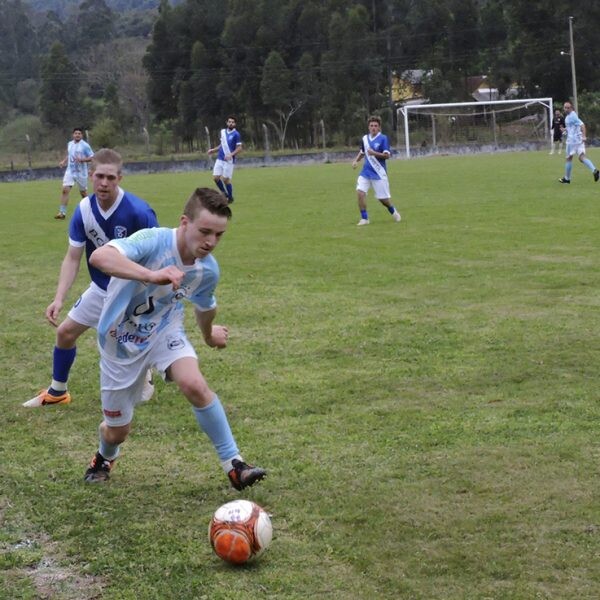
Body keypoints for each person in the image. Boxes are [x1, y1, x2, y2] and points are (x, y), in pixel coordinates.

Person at [83, 187, 266, 491]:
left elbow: (205, 306)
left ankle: (234, 464)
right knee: (117, 431)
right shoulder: (153, 240)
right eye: (204, 231)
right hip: (120, 342)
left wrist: (209, 336)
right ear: (184, 222)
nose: (210, 242)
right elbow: (101, 257)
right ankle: (104, 456)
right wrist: (149, 275)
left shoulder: (207, 270)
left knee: (194, 384)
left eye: (219, 235)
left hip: (163, 330)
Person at [24, 149, 158, 408]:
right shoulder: (83, 211)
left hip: (133, 291)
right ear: (90, 175)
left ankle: (147, 370)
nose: (104, 183)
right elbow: (73, 258)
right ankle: (58, 392)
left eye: (110, 177)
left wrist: (148, 298)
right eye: (99, 176)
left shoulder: (139, 212)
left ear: (120, 178)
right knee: (65, 333)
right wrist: (59, 298)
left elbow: (156, 258)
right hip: (100, 288)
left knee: (124, 345)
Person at [351, 115, 401, 226]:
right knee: (360, 192)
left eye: (375, 126)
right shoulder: (364, 139)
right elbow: (363, 152)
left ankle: (393, 211)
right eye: (371, 125)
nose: (373, 127)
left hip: (379, 173)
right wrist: (356, 161)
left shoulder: (383, 138)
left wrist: (374, 153)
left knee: (383, 200)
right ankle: (364, 218)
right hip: (365, 172)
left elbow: (387, 156)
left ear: (379, 128)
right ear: (368, 127)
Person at [55, 128, 95, 220]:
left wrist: (82, 160)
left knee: (83, 193)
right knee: (65, 190)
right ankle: (62, 213)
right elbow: (69, 154)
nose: (77, 135)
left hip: (81, 173)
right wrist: (64, 161)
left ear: (81, 135)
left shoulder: (85, 146)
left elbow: (93, 157)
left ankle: (91, 211)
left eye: (79, 133)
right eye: (76, 133)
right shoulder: (70, 144)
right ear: (73, 135)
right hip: (70, 171)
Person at [558, 101, 599, 184]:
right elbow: (573, 126)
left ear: (571, 108)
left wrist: (584, 136)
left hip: (572, 141)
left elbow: (582, 125)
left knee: (568, 159)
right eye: (565, 107)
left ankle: (567, 179)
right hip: (578, 139)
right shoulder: (571, 116)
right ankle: (595, 170)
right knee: (581, 158)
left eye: (568, 107)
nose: (566, 109)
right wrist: (565, 130)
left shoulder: (572, 116)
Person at [207, 116, 242, 203]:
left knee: (226, 180)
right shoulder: (223, 132)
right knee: (216, 178)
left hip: (228, 161)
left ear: (235, 124)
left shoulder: (236, 134)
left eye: (233, 122)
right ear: (227, 123)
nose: (231, 123)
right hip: (220, 158)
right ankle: (224, 194)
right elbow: (222, 145)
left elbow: (239, 148)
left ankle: (230, 197)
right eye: (229, 122)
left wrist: (231, 154)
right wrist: (213, 150)